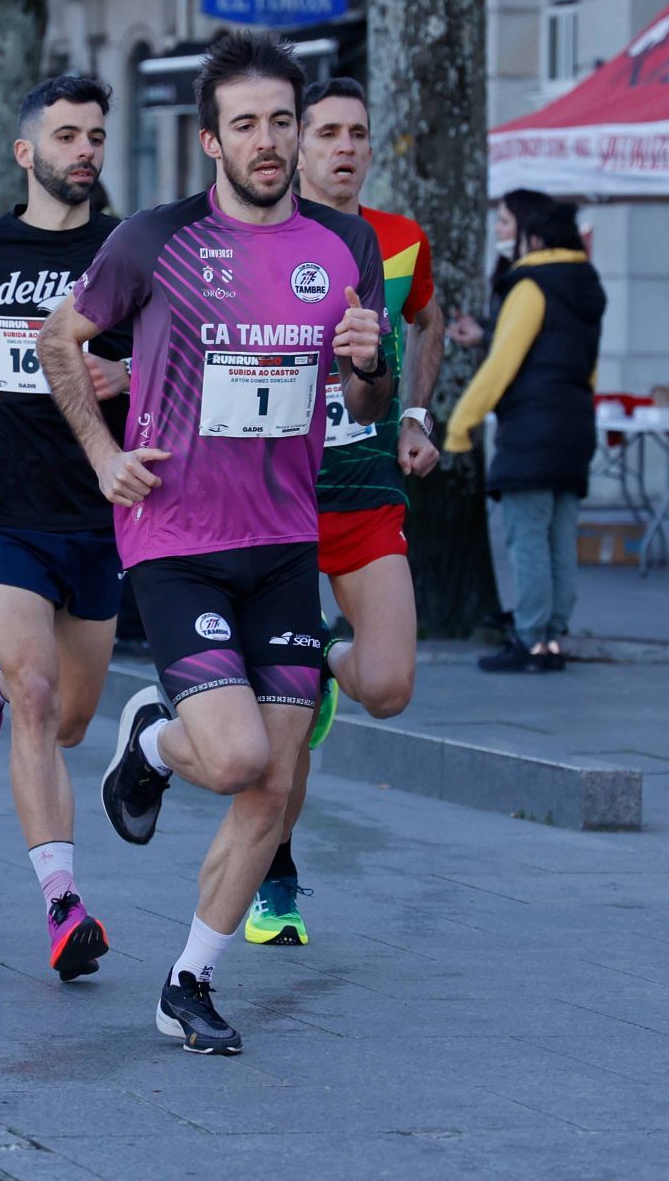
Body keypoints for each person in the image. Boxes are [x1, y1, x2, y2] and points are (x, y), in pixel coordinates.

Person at [52, 30, 390, 1053]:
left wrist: (371, 366)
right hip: (176, 537)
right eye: (244, 124)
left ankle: (186, 983)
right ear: (209, 139)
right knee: (238, 755)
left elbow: (359, 393)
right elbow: (59, 340)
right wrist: (102, 453)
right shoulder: (155, 241)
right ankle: (152, 742)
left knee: (276, 785)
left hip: (282, 539)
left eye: (280, 122)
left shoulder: (334, 251)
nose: (268, 141)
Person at [0, 74, 135, 982]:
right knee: (38, 694)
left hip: (97, 512)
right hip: (0, 511)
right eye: (65, 136)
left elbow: (180, 355)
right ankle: (61, 902)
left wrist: (125, 379)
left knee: (72, 720)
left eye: (94, 135)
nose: (83, 149)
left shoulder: (130, 249)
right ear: (25, 153)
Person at [243, 76, 444, 947]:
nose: (342, 148)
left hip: (365, 494)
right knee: (279, 735)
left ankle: (328, 651)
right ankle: (274, 880)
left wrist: (414, 415)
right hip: (275, 501)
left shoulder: (399, 241)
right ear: (296, 146)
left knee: (391, 686)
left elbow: (428, 321)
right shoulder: (258, 236)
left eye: (355, 133)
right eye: (324, 132)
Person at [447, 202, 604, 673]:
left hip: (532, 429)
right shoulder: (584, 284)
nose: (501, 233)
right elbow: (571, 357)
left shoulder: (531, 284)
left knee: (528, 537)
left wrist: (460, 425)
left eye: (508, 225)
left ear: (532, 238)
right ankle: (552, 635)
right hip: (575, 424)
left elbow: (504, 365)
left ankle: (530, 637)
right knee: (560, 536)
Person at [449, 188, 554, 349]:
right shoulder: (508, 271)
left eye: (504, 222)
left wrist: (484, 336)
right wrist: (480, 326)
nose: (497, 229)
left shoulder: (544, 279)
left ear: (527, 227)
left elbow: (529, 340)